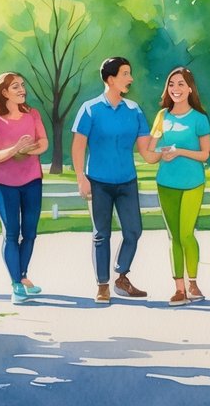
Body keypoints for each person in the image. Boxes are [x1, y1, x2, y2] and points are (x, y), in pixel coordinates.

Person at [72, 57, 152, 304]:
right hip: (98, 181)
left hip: (127, 180)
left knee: (134, 231)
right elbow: (78, 147)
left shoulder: (134, 110)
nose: (130, 79)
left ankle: (121, 276)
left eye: (130, 73)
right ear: (110, 79)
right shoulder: (90, 108)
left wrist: (164, 148)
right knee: (101, 234)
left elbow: (146, 149)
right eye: (125, 74)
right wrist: (81, 179)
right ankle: (102, 285)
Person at [147, 67, 210, 306]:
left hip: (193, 183)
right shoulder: (162, 117)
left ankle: (193, 283)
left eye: (181, 84)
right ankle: (179, 288)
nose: (175, 89)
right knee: (173, 236)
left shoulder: (199, 119)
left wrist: (180, 151)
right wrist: (160, 153)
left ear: (190, 88)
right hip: (166, 183)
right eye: (171, 84)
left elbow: (205, 155)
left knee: (186, 234)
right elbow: (151, 150)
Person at [0, 72, 48, 305]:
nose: (22, 89)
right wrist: (15, 149)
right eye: (16, 87)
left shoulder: (32, 114)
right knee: (12, 233)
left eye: (23, 85)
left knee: (30, 233)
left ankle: (21, 277)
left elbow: (43, 142)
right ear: (4, 92)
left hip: (32, 180)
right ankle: (16, 285)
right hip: (4, 185)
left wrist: (26, 151)